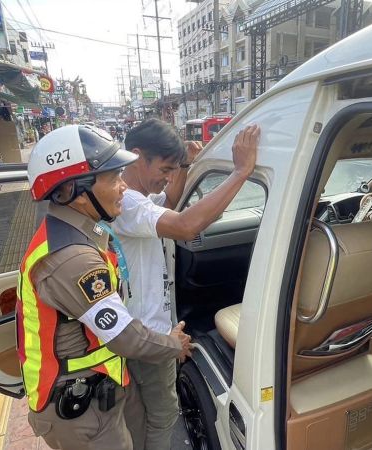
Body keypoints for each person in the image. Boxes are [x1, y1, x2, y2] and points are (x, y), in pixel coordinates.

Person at [18, 124, 193, 450]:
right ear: (75, 191)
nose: (123, 187)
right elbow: (125, 337)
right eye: (113, 179)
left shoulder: (76, 233)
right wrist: (172, 343)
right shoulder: (72, 259)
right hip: (80, 410)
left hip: (104, 386)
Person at [111, 118, 260, 450]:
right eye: (164, 168)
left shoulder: (131, 195)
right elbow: (186, 225)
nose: (168, 176)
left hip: (142, 328)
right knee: (162, 416)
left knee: (141, 413)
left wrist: (184, 166)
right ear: (137, 156)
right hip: (148, 333)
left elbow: (169, 201)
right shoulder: (130, 203)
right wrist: (240, 172)